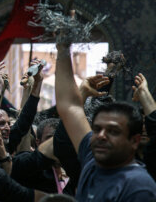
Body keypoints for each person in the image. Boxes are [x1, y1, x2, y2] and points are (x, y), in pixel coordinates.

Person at [55, 42, 156, 200]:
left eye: (114, 131)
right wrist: (63, 46)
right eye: (96, 129)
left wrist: (146, 97)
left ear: (134, 141)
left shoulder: (138, 186)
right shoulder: (92, 161)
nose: (101, 136)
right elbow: (69, 108)